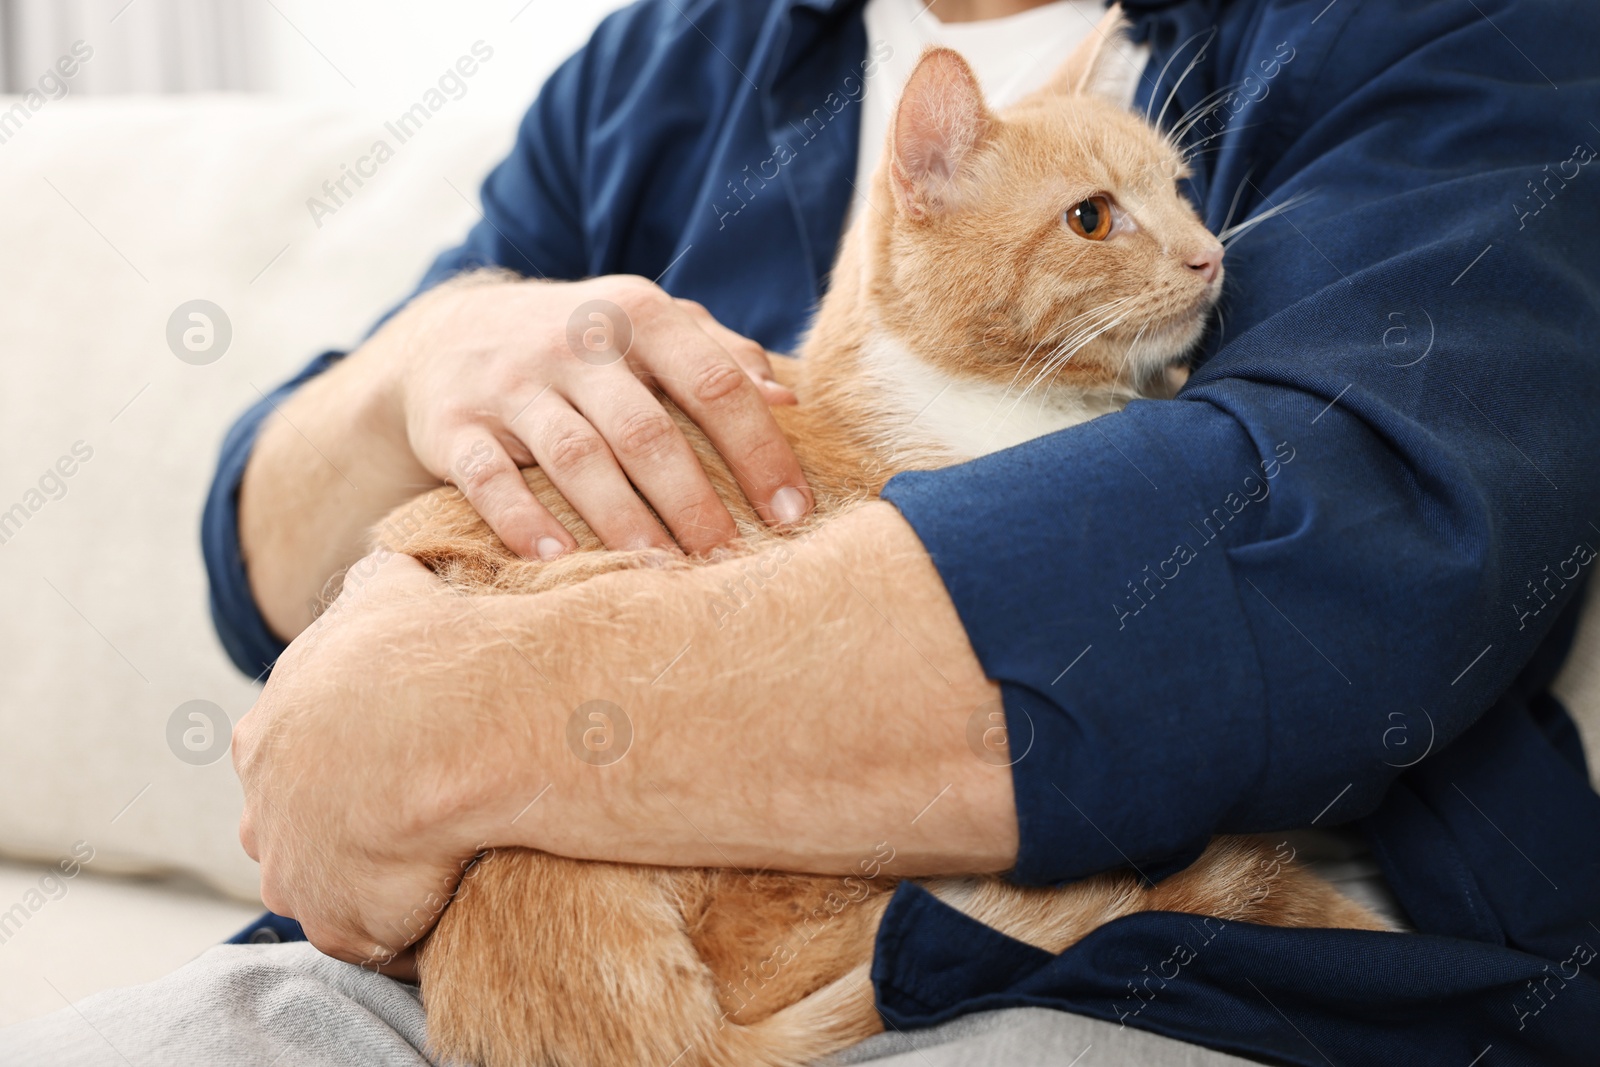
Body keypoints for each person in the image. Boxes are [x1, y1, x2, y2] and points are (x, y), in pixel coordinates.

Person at [6, 0, 1598, 1064]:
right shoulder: (667, 62)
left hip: (1150, 982)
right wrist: (414, 374)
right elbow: (259, 569)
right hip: (486, 964)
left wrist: (459, 722)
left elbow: (1358, 534)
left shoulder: (1440, 32)